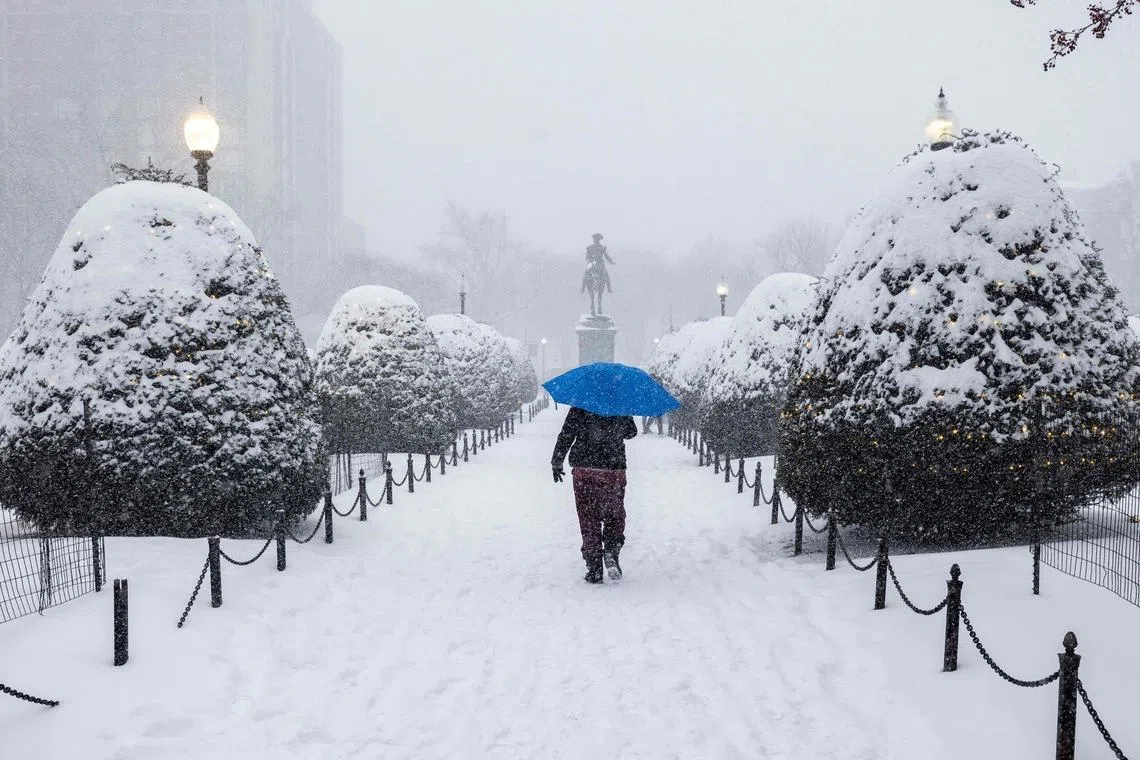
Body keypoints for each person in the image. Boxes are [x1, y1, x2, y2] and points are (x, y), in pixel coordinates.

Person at [551, 406, 637, 584]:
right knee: (614, 513)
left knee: (588, 517)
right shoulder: (619, 404)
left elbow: (567, 433)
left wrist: (557, 461)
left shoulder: (581, 404)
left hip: (584, 469)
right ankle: (611, 549)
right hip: (613, 468)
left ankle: (594, 567)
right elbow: (631, 432)